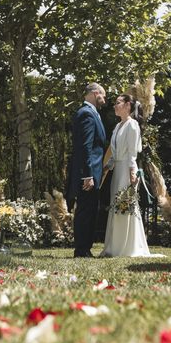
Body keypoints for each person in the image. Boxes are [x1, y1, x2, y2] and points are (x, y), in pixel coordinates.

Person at [101, 94, 161, 257]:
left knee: (125, 205)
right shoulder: (118, 126)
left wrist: (132, 173)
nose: (115, 106)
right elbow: (115, 153)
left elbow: (132, 154)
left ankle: (126, 247)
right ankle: (113, 246)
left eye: (118, 103)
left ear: (128, 105)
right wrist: (107, 167)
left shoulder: (132, 125)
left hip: (127, 171)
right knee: (116, 205)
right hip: (117, 171)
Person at [66, 83, 107, 258]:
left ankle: (85, 249)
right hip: (88, 174)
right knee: (85, 211)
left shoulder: (92, 113)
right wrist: (87, 175)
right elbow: (85, 147)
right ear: (95, 93)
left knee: (90, 210)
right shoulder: (86, 114)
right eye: (103, 96)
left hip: (94, 172)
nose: (104, 99)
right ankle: (81, 250)